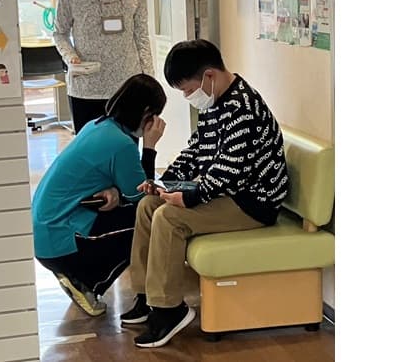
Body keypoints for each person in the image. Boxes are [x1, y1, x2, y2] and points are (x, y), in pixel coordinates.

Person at [120, 39, 290, 348]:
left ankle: (168, 310)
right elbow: (196, 151)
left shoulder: (242, 107)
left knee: (169, 217)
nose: (188, 97)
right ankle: (146, 296)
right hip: (229, 193)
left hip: (253, 202)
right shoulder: (215, 103)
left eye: (188, 89)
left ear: (209, 76)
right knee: (148, 205)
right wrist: (165, 183)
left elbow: (230, 170)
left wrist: (187, 197)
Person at [32, 74, 167, 317]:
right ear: (147, 112)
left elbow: (120, 184)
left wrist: (115, 191)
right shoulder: (121, 144)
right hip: (61, 240)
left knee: (134, 216)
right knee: (148, 221)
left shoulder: (97, 125)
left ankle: (77, 274)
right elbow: (142, 196)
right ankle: (87, 281)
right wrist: (150, 147)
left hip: (46, 233)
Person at [53, 0, 154, 134]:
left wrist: (149, 79)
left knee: (125, 146)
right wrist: (70, 56)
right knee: (88, 148)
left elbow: (141, 35)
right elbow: (59, 33)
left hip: (128, 86)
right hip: (86, 86)